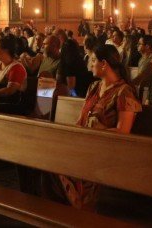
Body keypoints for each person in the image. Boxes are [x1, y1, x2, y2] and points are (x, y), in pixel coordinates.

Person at [51, 44, 141, 210]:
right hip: (85, 144)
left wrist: (94, 133)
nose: (90, 65)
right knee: (48, 157)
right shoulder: (94, 87)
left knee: (58, 164)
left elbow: (123, 132)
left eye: (93, 61)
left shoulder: (124, 92)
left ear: (104, 64)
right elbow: (80, 121)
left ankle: (79, 207)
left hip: (106, 148)